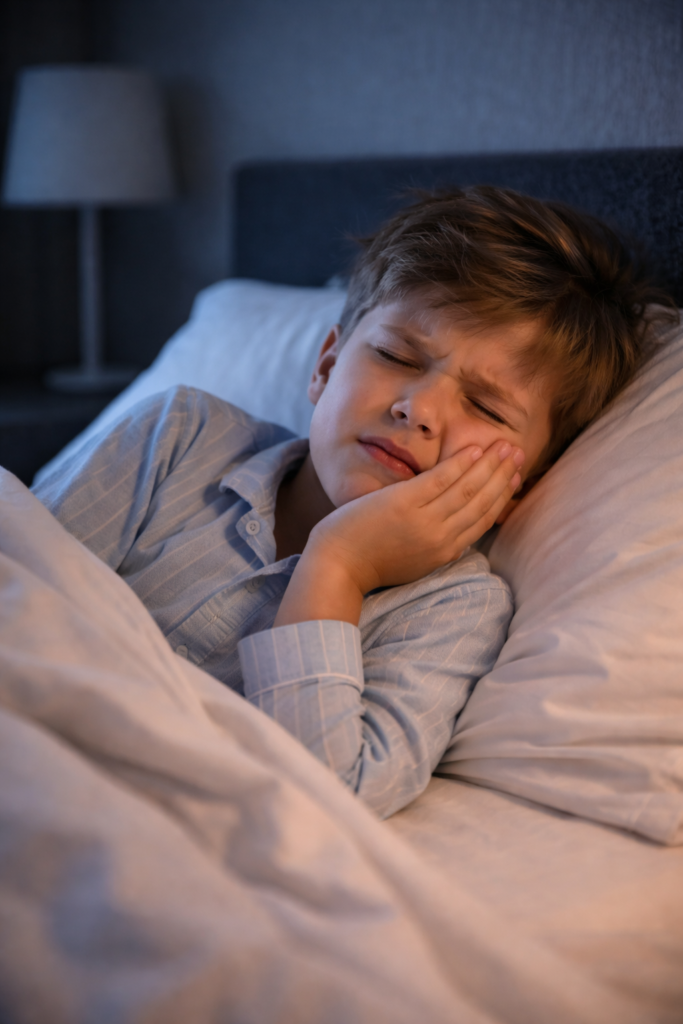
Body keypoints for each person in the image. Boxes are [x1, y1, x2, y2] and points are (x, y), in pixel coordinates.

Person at [33, 186, 675, 818]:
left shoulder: (453, 612)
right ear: (325, 366)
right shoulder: (175, 437)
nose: (418, 409)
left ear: (521, 487)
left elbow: (325, 802)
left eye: (484, 406)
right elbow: (19, 584)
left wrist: (338, 565)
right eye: (397, 355)